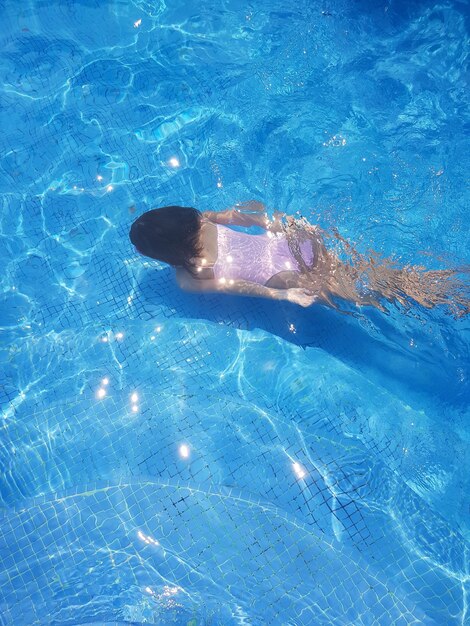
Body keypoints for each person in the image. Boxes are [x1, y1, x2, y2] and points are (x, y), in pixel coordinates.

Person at [129, 202, 468, 314]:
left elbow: (234, 285)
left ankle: (454, 297)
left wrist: (281, 294)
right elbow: (252, 213)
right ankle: (450, 286)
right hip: (296, 246)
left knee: (387, 293)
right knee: (375, 273)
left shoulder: (189, 278)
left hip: (293, 277)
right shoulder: (205, 219)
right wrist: (286, 223)